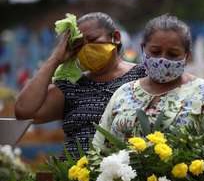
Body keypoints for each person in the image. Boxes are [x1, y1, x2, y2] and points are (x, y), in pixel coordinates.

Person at [92, 14, 204, 150]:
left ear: (187, 56)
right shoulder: (124, 93)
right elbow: (99, 147)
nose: (163, 59)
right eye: (155, 52)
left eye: (173, 54)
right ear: (143, 49)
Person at [15, 12, 146, 157]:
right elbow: (23, 111)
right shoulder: (72, 86)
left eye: (92, 39)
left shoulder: (141, 76)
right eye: (78, 44)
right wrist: (55, 58)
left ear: (115, 37)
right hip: (74, 175)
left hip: (125, 174)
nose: (86, 48)